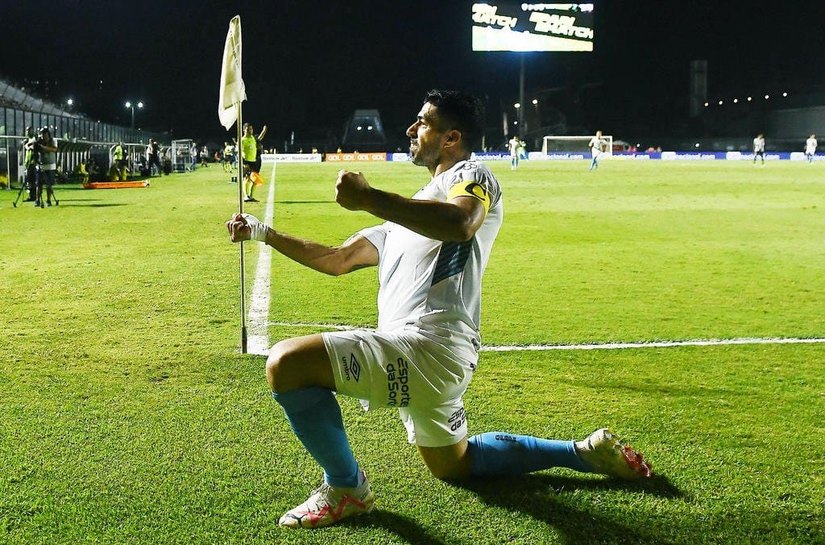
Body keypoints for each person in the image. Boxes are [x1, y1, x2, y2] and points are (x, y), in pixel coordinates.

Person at [225, 90, 653, 530]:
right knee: (453, 465)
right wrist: (264, 233)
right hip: (429, 356)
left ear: (452, 138)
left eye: (422, 122)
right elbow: (338, 259)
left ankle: (347, 488)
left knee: (287, 363)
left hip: (429, 345)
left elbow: (462, 223)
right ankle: (583, 452)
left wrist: (370, 198)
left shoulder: (473, 175)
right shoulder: (410, 213)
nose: (411, 130)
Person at [241, 122, 267, 202]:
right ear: (244, 130)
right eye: (248, 129)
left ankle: (251, 196)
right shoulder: (242, 140)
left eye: (251, 129)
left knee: (255, 180)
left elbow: (259, 138)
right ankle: (245, 196)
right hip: (247, 162)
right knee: (247, 179)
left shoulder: (253, 138)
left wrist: (264, 131)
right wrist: (244, 162)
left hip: (254, 162)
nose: (250, 131)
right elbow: (240, 152)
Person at [35, 127, 58, 207]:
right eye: (41, 134)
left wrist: (43, 147)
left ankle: (48, 200)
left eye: (44, 134)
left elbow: (54, 149)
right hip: (41, 166)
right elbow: (30, 147)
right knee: (39, 185)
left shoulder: (53, 140)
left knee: (49, 185)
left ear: (48, 134)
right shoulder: (38, 142)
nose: (42, 136)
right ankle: (37, 200)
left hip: (50, 166)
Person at [21, 126, 38, 202]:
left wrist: (28, 146)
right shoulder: (27, 140)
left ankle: (34, 196)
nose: (27, 132)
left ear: (32, 131)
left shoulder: (35, 139)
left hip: (33, 163)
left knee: (32, 180)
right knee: (29, 180)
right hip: (28, 162)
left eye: (29, 131)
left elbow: (34, 147)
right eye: (27, 131)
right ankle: (31, 195)